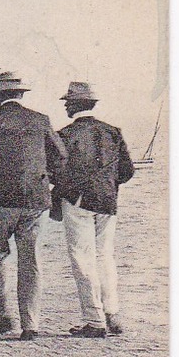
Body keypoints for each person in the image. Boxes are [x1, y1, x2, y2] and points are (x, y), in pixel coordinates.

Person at [0, 70, 67, 340]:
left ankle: (4, 312)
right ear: (21, 93)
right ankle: (31, 324)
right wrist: (44, 178)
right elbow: (61, 156)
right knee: (30, 260)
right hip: (35, 201)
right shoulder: (41, 120)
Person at [51, 81, 134, 338]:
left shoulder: (64, 135)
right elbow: (127, 171)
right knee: (105, 256)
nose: (65, 105)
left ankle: (94, 319)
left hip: (78, 201)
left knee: (82, 258)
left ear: (75, 105)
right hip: (108, 201)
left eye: (68, 102)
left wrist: (65, 192)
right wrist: (107, 185)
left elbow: (55, 171)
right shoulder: (113, 132)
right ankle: (113, 313)